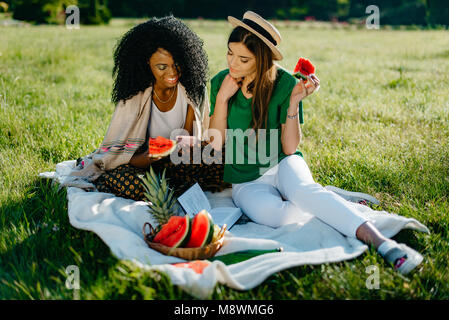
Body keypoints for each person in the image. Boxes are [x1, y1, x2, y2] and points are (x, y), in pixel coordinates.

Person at [207, 11, 423, 274]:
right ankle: (329, 198)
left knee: (304, 193)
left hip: (283, 163)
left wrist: (294, 103)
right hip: (246, 180)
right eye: (230, 53)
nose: (232, 63)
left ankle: (384, 243)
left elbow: (289, 149)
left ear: (261, 60)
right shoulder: (221, 82)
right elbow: (215, 144)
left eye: (243, 59)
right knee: (279, 217)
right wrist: (221, 100)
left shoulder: (285, 82)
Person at [69, 15, 230, 200]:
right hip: (139, 165)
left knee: (228, 162)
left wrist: (188, 147)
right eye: (162, 67)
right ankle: (175, 188)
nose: (172, 73)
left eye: (176, 64)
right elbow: (118, 154)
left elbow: (189, 138)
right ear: (147, 63)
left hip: (180, 163)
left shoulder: (192, 89)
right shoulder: (134, 96)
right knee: (129, 182)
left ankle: (171, 187)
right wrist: (144, 159)